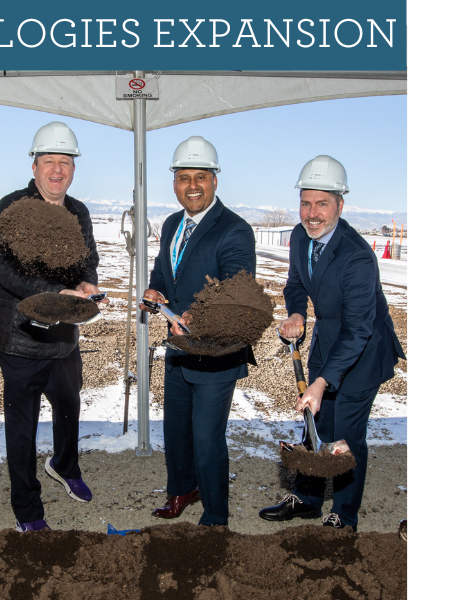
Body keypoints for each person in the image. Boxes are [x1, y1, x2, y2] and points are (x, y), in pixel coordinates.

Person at [258, 155, 405, 530]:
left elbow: (359, 330)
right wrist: (295, 314)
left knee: (346, 435)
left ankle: (344, 514)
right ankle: (307, 499)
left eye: (322, 203)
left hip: (364, 350)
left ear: (341, 204)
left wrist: (322, 381)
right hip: (328, 338)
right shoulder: (298, 236)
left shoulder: (356, 257)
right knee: (314, 420)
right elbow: (295, 283)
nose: (312, 213)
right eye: (306, 202)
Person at [0, 121, 107, 532]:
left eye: (65, 162)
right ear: (35, 165)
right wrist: (58, 290)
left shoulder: (78, 211)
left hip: (63, 336)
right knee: (21, 427)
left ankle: (64, 464)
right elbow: (7, 273)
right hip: (20, 335)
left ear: (73, 168)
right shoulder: (13, 206)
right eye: (49, 162)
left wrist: (85, 283)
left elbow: (87, 258)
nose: (57, 170)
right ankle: (27, 507)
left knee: (70, 404)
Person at [139, 136, 256, 527]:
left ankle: (215, 517)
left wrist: (200, 312)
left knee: (207, 440)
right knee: (176, 431)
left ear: (215, 181)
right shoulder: (173, 223)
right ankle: (182, 490)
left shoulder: (235, 230)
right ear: (174, 182)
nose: (192, 185)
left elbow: (237, 289)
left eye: (200, 176)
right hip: (179, 347)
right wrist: (155, 290)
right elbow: (164, 271)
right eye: (184, 177)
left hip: (216, 353)